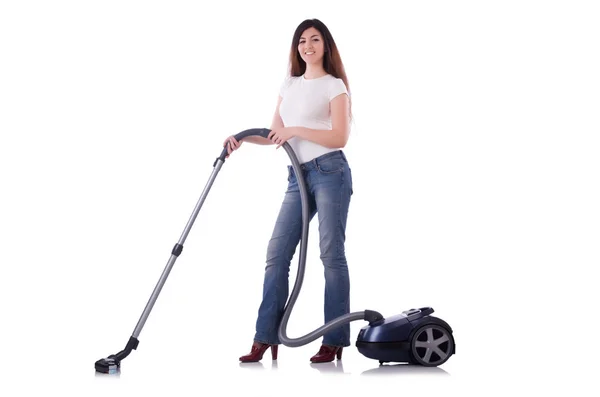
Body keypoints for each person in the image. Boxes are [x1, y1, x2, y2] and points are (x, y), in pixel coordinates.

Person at [223, 18, 353, 364]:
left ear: (325, 45)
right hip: (296, 177)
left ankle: (335, 339)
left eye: (314, 39)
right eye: (301, 41)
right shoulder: (290, 84)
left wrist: (297, 129)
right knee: (277, 254)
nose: (307, 45)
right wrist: (241, 139)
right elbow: (274, 134)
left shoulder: (334, 85)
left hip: (330, 173)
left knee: (330, 254)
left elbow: (339, 137)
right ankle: (265, 337)